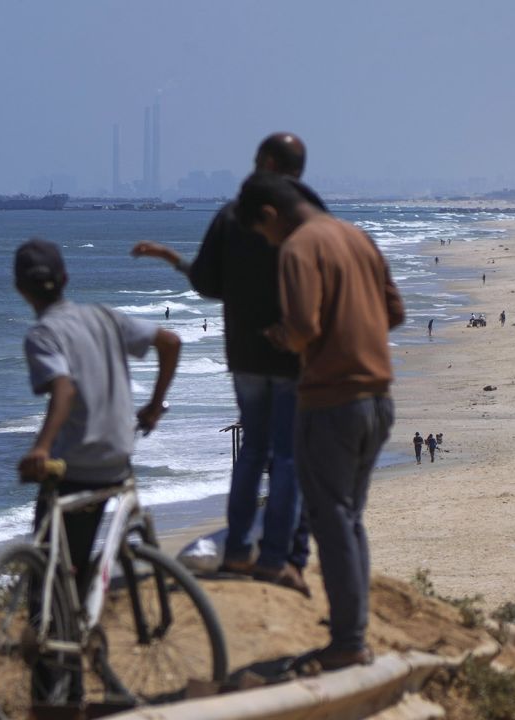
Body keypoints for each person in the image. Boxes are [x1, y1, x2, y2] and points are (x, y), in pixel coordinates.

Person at [129, 133, 323, 595]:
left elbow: (206, 283)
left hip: (246, 356)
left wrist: (174, 259)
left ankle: (237, 548)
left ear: (270, 162)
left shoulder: (232, 216)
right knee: (287, 455)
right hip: (293, 355)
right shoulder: (308, 215)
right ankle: (276, 558)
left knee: (254, 451)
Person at [240, 171, 405, 672]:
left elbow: (304, 327)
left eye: (262, 233)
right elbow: (394, 312)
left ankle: (349, 641)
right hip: (378, 396)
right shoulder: (357, 237)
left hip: (332, 400)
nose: (268, 242)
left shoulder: (297, 249)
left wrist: (280, 336)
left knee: (331, 520)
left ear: (270, 217)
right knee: (349, 517)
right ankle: (350, 631)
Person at [15, 238, 181, 595]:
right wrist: (154, 406)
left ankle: (48, 631)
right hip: (119, 457)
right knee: (80, 550)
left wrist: (41, 447)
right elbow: (170, 342)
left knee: (49, 573)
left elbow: (63, 388)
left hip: (76, 468)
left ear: (20, 289)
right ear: (66, 277)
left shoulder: (42, 335)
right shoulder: (104, 316)